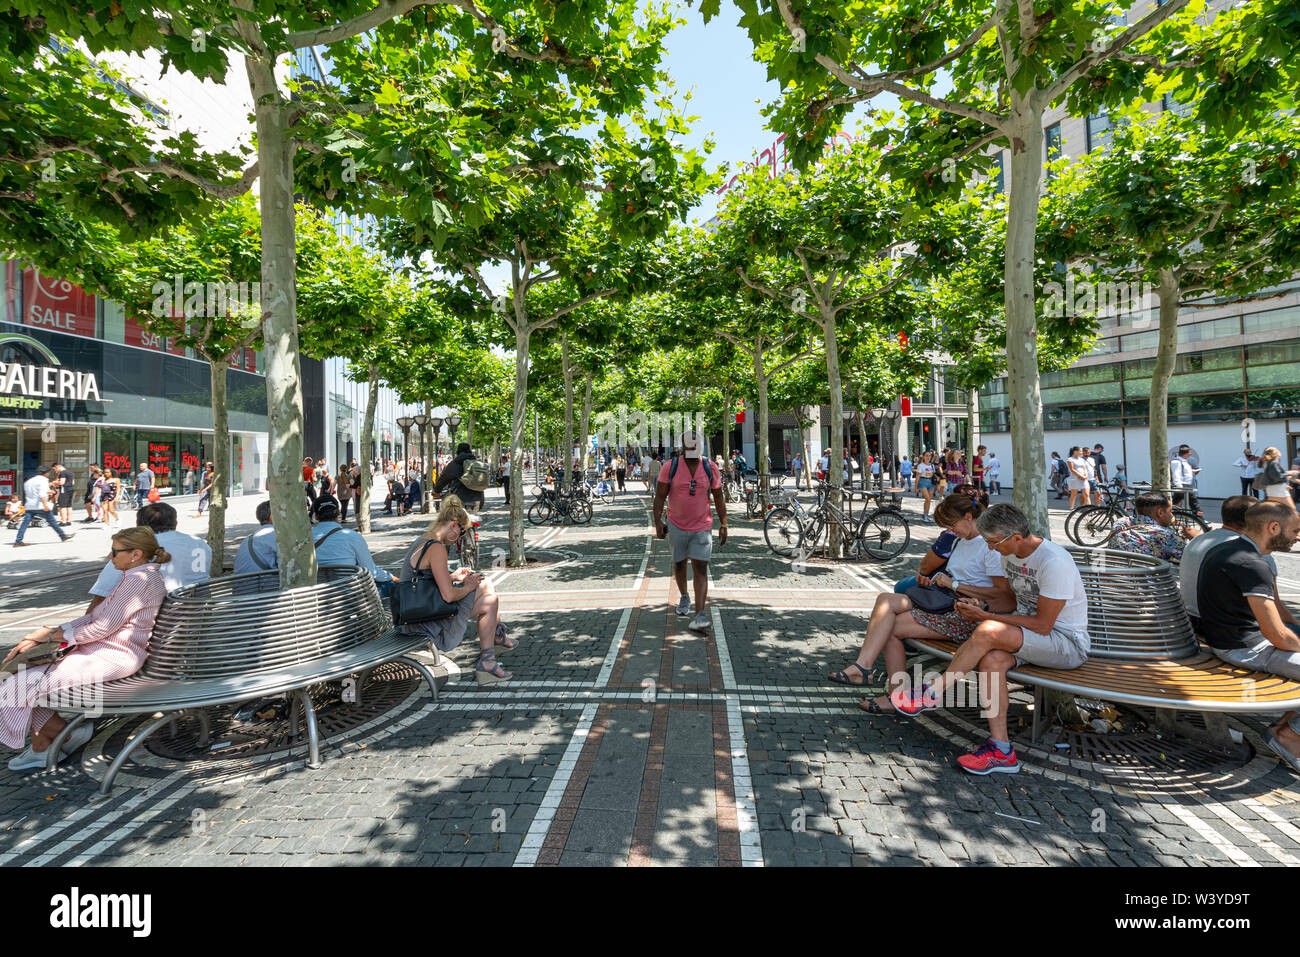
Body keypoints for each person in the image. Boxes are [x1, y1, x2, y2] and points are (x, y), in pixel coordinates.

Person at [892, 504, 1090, 776]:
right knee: (992, 659)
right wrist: (981, 605)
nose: (991, 548)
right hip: (1031, 637)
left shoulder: (1053, 562)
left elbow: (1044, 625)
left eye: (993, 542)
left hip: (1066, 643)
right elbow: (1008, 601)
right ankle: (1002, 750)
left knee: (987, 630)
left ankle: (934, 691)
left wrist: (984, 617)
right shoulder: (1010, 555)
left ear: (1016, 538)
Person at [1, 526, 170, 770]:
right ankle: (46, 743)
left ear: (135, 554)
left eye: (114, 552)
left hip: (112, 656)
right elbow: (94, 619)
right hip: (103, 652)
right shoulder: (137, 576)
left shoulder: (138, 580)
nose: (109, 557)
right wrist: (47, 634)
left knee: (16, 684)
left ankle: (61, 737)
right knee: (17, 680)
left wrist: (53, 635)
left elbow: (101, 627)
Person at [829, 495, 1015, 711]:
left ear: (968, 517)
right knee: (885, 600)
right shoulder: (961, 540)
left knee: (890, 628)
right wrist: (934, 580)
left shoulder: (989, 548)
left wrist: (954, 585)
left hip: (964, 612)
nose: (950, 530)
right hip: (943, 600)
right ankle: (864, 667)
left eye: (952, 524)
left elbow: (1003, 597)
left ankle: (893, 694)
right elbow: (951, 574)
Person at [1194, 502, 1300, 769]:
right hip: (1245, 649)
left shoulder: (1225, 548)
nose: (1297, 537)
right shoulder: (1254, 564)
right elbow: (1276, 634)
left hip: (1225, 640)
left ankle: (1287, 729)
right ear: (1273, 527)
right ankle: (1287, 735)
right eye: (1295, 530)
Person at [399, 495, 515, 685]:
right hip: (422, 620)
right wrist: (468, 585)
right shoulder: (436, 548)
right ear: (453, 525)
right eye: (461, 532)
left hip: (417, 610)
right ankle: (489, 657)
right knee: (489, 600)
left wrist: (454, 577)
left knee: (484, 584)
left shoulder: (424, 540)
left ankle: (494, 638)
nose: (459, 538)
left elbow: (423, 579)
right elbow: (449, 595)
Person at [653, 430, 727, 634]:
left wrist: (724, 523)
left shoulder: (709, 467)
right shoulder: (671, 467)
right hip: (676, 524)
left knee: (701, 568)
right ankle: (684, 596)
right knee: (679, 564)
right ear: (683, 447)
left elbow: (719, 496)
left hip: (702, 526)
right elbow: (660, 496)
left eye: (696, 444)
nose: (693, 448)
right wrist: (658, 521)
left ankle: (700, 613)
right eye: (689, 445)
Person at [86, 502, 210, 609]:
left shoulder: (137, 547)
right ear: (175, 522)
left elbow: (102, 594)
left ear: (139, 525)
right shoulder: (201, 544)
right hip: (199, 614)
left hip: (158, 620)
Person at [1180, 495, 1267, 627]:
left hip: (1191, 620)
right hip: (1226, 628)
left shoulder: (1197, 541)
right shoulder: (1249, 551)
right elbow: (1271, 613)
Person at [311, 497, 393, 595]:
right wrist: (392, 577)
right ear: (339, 513)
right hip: (350, 596)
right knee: (394, 586)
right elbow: (371, 571)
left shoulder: (304, 540)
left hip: (317, 594)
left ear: (315, 516)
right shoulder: (352, 536)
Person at [1108, 491, 1202, 561]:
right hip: (1147, 585)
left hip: (1114, 582)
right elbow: (1193, 559)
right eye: (1170, 511)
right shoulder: (1166, 535)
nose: (1172, 515)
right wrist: (1197, 537)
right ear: (1160, 512)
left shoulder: (1119, 523)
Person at [12, 466, 75, 547]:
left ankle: (18, 541)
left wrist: (49, 489)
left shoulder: (29, 481)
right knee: (52, 521)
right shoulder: (43, 480)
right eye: (48, 472)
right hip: (40, 505)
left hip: (29, 506)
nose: (48, 474)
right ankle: (63, 536)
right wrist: (45, 505)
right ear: (45, 473)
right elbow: (42, 494)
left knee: (25, 523)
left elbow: (34, 492)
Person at [435, 443, 486, 513]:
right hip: (478, 497)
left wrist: (436, 490)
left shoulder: (455, 464)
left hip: (459, 499)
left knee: (456, 519)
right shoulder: (477, 463)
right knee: (473, 518)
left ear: (458, 451)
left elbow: (444, 478)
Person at [234, 500, 278, 575]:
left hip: (243, 584)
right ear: (271, 517)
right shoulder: (276, 535)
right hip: (267, 585)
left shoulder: (249, 538)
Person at [1170, 445, 1201, 515]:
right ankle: (1200, 519)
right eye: (1189, 453)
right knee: (1194, 504)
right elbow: (1176, 474)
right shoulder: (1176, 462)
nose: (1190, 454)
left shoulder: (1183, 461)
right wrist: (1179, 487)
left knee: (1194, 504)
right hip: (1183, 486)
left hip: (1187, 486)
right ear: (1186, 454)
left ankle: (1200, 518)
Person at [915, 451, 937, 523]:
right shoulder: (921, 465)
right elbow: (917, 476)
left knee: (929, 500)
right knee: (927, 498)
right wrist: (916, 487)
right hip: (923, 481)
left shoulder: (932, 465)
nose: (928, 457)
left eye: (929, 456)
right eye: (926, 456)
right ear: (923, 457)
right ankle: (925, 516)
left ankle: (926, 515)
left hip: (931, 482)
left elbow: (933, 474)